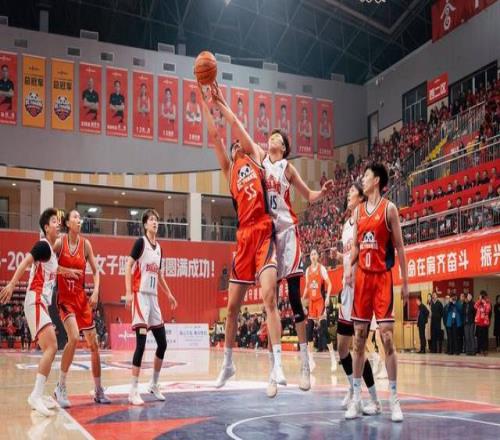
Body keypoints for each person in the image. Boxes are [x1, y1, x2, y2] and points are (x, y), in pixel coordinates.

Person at [209, 83, 333, 397]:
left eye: (277, 136)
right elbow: (236, 125)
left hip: (286, 234)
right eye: (271, 135)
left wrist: (322, 193)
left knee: (294, 299)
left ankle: (304, 363)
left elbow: (309, 195)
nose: (272, 137)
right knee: (269, 301)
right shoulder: (260, 158)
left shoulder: (286, 168)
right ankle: (273, 370)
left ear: (284, 147)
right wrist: (221, 103)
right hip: (267, 235)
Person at [199, 92, 286, 395]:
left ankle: (277, 364)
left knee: (269, 298)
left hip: (263, 231)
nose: (235, 144)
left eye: (238, 143)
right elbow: (215, 135)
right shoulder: (229, 171)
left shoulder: (256, 157)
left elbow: (235, 123)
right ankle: (227, 364)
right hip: (243, 237)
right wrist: (203, 101)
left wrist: (219, 98)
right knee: (232, 307)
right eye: (233, 144)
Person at [345, 163, 408, 422]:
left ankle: (394, 399)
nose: (363, 179)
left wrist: (406, 282)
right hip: (362, 280)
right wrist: (349, 268)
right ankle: (357, 399)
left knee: (387, 338)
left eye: (367, 176)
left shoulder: (389, 209)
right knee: (358, 340)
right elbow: (356, 246)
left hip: (382, 278)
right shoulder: (358, 212)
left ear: (377, 180)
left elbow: (400, 247)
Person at [0, 208, 63, 416]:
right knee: (52, 347)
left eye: (58, 221)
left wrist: (70, 271)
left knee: (50, 349)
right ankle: (35, 395)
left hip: (41, 303)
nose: (58, 224)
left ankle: (39, 393)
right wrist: (11, 284)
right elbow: (26, 261)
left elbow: (56, 264)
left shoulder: (51, 251)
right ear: (46, 227)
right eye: (53, 221)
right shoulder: (43, 245)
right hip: (35, 299)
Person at [53, 209, 110, 407]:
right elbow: (47, 265)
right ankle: (60, 386)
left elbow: (96, 271)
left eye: (80, 217)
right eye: (75, 217)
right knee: (74, 337)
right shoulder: (59, 243)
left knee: (94, 345)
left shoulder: (86, 245)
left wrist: (95, 292)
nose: (79, 220)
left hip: (81, 300)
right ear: (68, 223)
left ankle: (98, 390)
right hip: (65, 300)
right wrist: (65, 270)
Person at [334, 182, 381, 416]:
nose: (348, 194)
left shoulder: (365, 220)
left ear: (362, 198)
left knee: (358, 347)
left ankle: (371, 399)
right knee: (342, 348)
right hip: (347, 290)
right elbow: (348, 254)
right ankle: (353, 389)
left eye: (352, 191)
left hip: (361, 288)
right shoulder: (346, 226)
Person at [124, 209, 178, 405]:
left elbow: (159, 274)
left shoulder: (159, 248)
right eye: (152, 220)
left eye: (157, 220)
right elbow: (128, 266)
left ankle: (153, 384)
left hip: (154, 298)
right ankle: (133, 390)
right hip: (140, 296)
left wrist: (169, 294)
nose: (155, 223)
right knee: (141, 344)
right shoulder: (141, 243)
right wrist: (128, 292)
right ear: (145, 224)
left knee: (162, 343)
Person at [303, 249, 334, 373]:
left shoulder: (322, 269)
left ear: (318, 256)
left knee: (324, 330)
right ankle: (311, 361)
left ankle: (332, 357)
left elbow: (330, 284)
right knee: (309, 331)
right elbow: (307, 286)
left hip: (320, 302)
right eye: (311, 254)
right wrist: (302, 298)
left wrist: (328, 297)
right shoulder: (307, 270)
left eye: (315, 254)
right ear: (310, 257)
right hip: (311, 302)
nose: (313, 256)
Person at [474, 291, 492, 356]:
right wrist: (479, 300)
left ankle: (485, 350)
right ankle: (479, 350)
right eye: (481, 296)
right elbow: (475, 306)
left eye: (483, 296)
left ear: (486, 296)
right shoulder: (479, 302)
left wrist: (484, 302)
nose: (482, 297)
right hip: (479, 322)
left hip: (484, 323)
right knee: (479, 337)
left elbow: (487, 310)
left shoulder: (488, 302)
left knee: (484, 337)